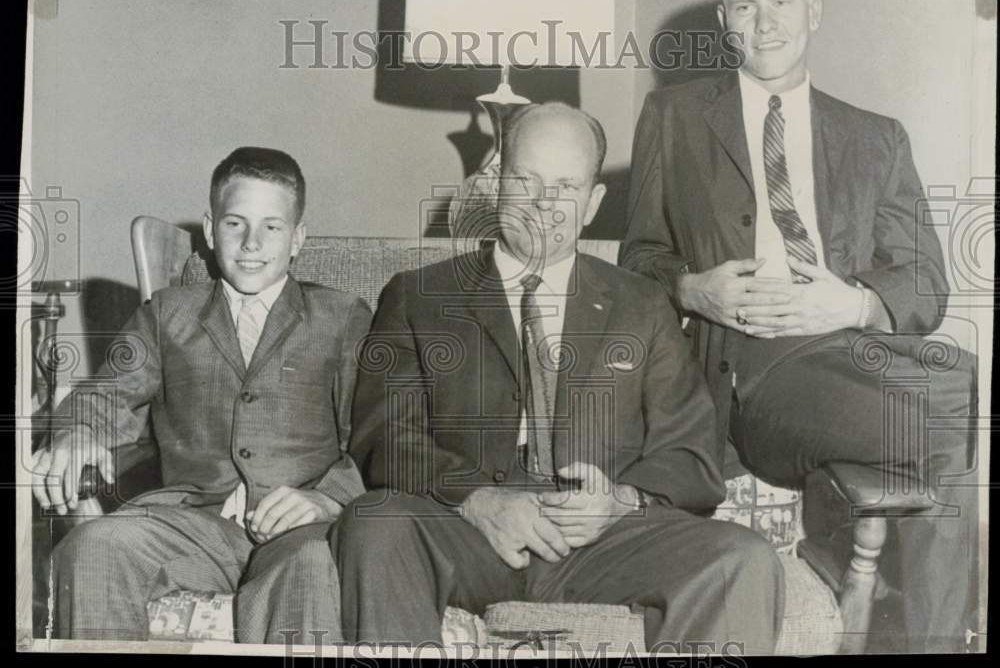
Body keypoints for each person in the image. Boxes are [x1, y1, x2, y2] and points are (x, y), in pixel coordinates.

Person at [620, 0, 977, 652]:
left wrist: (854, 301)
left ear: (814, 8)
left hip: (852, 356)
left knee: (954, 408)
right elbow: (635, 265)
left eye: (782, 1)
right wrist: (693, 290)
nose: (766, 23)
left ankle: (864, 580)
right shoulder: (674, 119)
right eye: (746, 7)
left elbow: (926, 283)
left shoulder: (877, 138)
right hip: (750, 369)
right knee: (953, 412)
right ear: (725, 21)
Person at [337, 102, 784, 656]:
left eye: (567, 187)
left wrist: (619, 501)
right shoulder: (418, 295)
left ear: (593, 202)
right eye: (528, 181)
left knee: (740, 558)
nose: (545, 206)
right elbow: (385, 439)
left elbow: (691, 454)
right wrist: (477, 500)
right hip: (470, 534)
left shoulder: (641, 304)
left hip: (602, 540)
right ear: (496, 184)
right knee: (375, 521)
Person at [32, 147, 371, 643]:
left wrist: (326, 500)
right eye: (236, 224)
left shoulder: (342, 317)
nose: (252, 242)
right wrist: (79, 433)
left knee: (308, 566)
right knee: (94, 546)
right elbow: (108, 392)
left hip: (300, 530)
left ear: (298, 238)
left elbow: (371, 436)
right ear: (211, 231)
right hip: (191, 523)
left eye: (272, 227)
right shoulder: (168, 314)